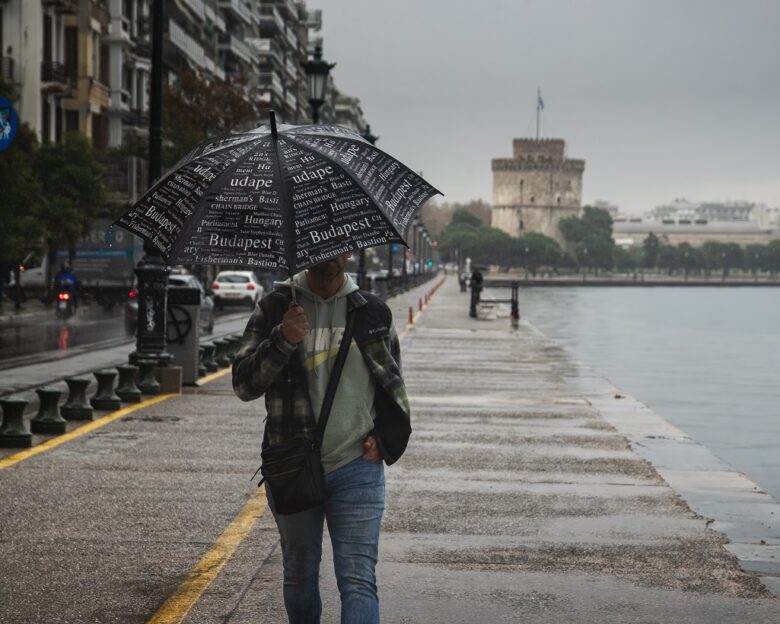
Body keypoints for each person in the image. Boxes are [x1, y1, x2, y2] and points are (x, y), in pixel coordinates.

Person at [232, 253, 410, 624]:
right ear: (304, 252)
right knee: (299, 573)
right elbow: (244, 384)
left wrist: (385, 438)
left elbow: (393, 385)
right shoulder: (275, 307)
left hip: (357, 466)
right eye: (321, 251)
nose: (330, 258)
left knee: (358, 578)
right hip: (292, 465)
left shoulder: (372, 312)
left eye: (339, 249)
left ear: (350, 251)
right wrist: (282, 338)